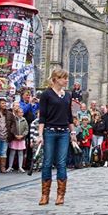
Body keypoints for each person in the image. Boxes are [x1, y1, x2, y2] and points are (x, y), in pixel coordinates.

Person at [37, 68, 76, 206]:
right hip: (50, 131)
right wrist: (40, 135)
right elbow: (42, 116)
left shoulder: (68, 95)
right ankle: (45, 195)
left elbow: (69, 115)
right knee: (47, 162)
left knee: (61, 163)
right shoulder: (46, 94)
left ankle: (60, 195)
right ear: (56, 79)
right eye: (64, 78)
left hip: (64, 132)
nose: (66, 80)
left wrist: (73, 133)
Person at [6, 105, 28, 173]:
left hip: (21, 138)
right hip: (14, 138)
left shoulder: (24, 120)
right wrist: (15, 135)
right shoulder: (14, 119)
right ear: (16, 113)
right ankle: (10, 166)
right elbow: (12, 127)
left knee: (20, 153)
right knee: (12, 152)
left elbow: (26, 129)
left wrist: (22, 135)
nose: (21, 114)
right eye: (19, 112)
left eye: (22, 112)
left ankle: (20, 167)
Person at [0, 98, 13, 173]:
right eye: (2, 103)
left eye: (5, 103)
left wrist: (11, 132)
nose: (4, 105)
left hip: (5, 135)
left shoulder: (9, 113)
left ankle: (3, 167)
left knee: (3, 152)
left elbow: (13, 124)